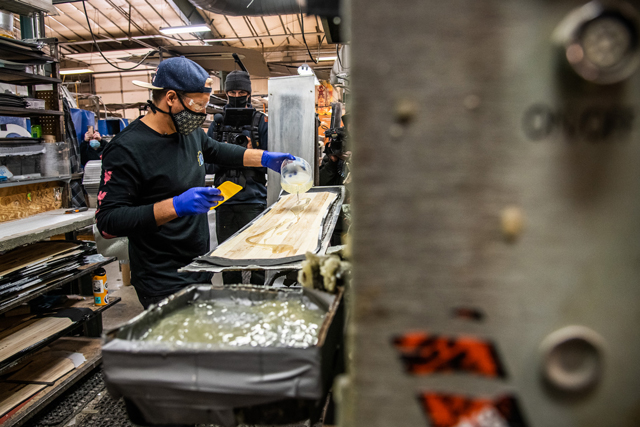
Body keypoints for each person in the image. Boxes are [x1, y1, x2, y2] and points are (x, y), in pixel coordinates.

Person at [95, 57, 293, 309]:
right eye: (197, 104)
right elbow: (108, 222)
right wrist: (176, 206)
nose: (202, 112)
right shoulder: (127, 148)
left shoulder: (188, 134)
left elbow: (219, 151)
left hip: (197, 268)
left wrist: (265, 158)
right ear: (170, 98)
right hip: (162, 279)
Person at [206, 70, 268, 285]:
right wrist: (225, 153)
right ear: (226, 93)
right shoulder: (217, 124)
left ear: (249, 94)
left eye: (242, 91)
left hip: (253, 199)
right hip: (224, 199)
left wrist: (251, 153)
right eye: (232, 91)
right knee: (226, 256)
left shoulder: (259, 122)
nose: (237, 95)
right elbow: (207, 164)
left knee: (256, 254)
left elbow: (270, 162)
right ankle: (232, 297)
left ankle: (258, 296)